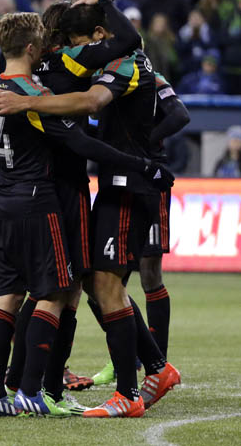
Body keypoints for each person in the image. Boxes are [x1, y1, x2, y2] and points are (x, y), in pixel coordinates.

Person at [0, 2, 181, 417]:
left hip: (57, 189)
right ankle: (36, 385)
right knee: (71, 287)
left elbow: (97, 105)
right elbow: (85, 119)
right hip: (58, 188)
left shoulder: (27, 77)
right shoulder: (62, 66)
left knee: (69, 288)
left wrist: (145, 158)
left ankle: (34, 386)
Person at [2, 0, 143, 406]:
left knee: (41, 290)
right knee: (67, 292)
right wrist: (107, 2)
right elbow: (127, 43)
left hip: (27, 185)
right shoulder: (70, 62)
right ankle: (42, 389)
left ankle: (14, 381)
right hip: (67, 185)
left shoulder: (18, 74)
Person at [92, 71, 190, 385]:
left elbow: (179, 115)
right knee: (106, 279)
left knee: (148, 273)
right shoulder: (102, 79)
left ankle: (156, 361)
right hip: (117, 177)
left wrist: (143, 142)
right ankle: (127, 357)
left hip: (149, 179)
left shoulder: (149, 77)